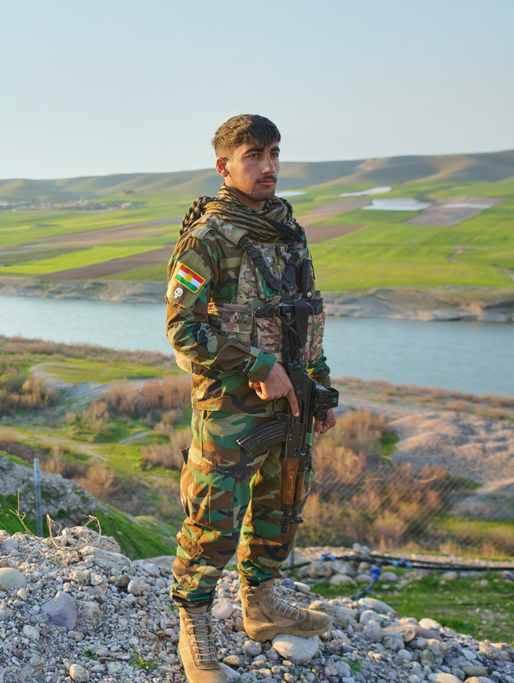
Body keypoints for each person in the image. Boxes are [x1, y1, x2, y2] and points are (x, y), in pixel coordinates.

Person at [164, 115, 337, 683]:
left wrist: (318, 381)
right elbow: (182, 331)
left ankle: (260, 604)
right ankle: (194, 620)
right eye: (253, 154)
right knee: (214, 517)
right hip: (231, 407)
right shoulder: (208, 237)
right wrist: (259, 365)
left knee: (281, 506)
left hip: (291, 402)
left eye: (274, 154)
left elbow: (303, 313)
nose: (268, 166)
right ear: (224, 166)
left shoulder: (289, 230)